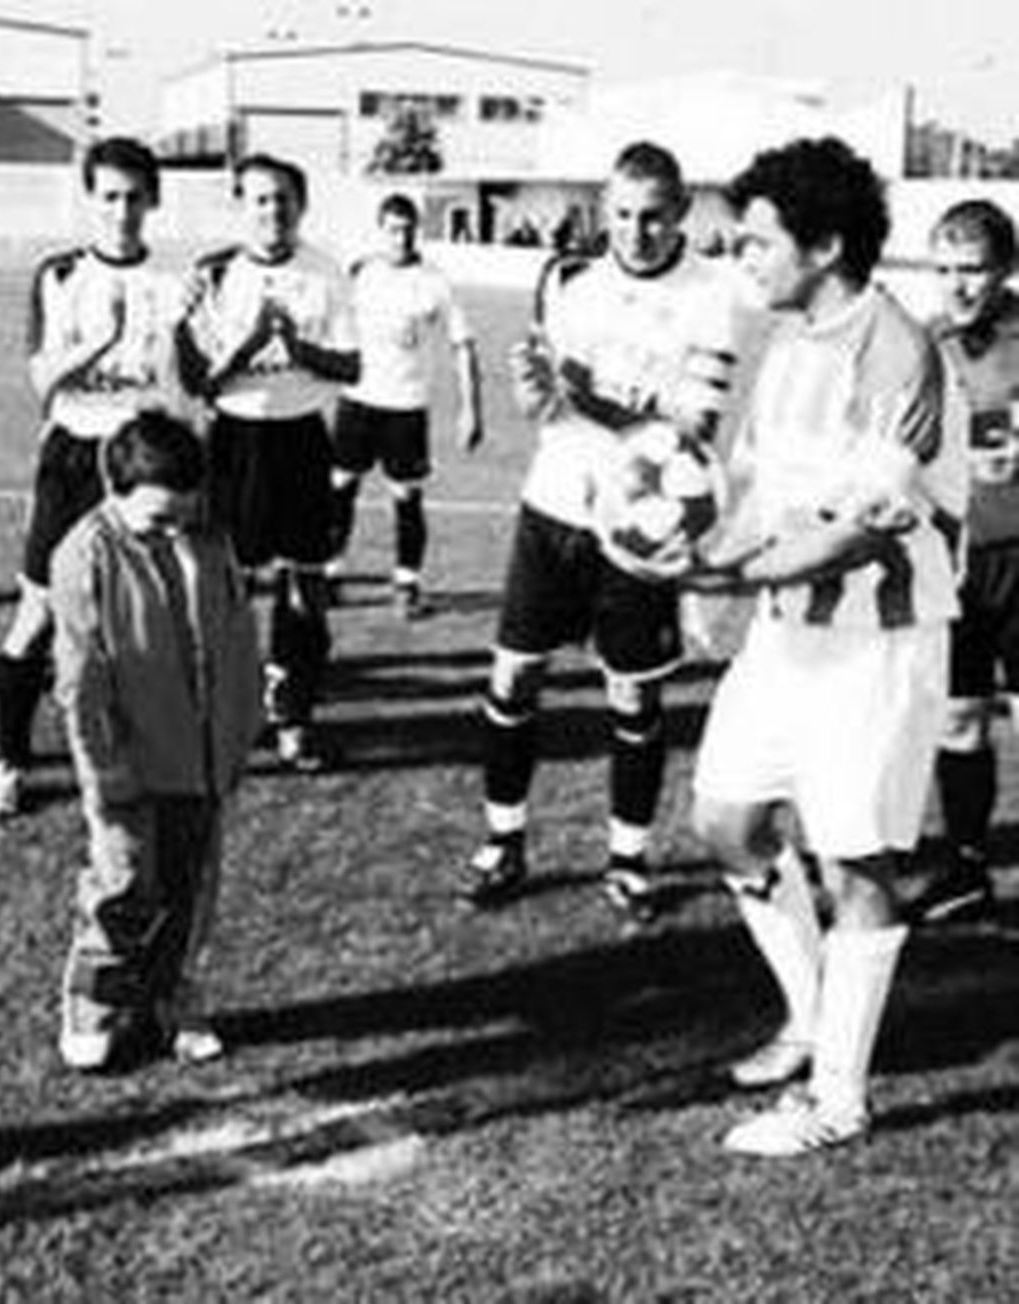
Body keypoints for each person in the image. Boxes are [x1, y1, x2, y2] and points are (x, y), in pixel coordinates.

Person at [686, 137, 966, 1156]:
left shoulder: (897, 352)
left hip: (876, 644)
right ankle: (810, 1014)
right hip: (783, 637)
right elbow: (762, 496)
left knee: (858, 864)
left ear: (825, 245)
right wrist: (689, 549)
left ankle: (838, 1099)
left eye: (758, 241)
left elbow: (861, 527)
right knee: (727, 823)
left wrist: (728, 573)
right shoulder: (790, 341)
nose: (743, 258)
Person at [466, 141, 743, 921]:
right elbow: (544, 410)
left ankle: (628, 859)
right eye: (621, 214)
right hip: (553, 508)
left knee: (631, 694)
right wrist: (535, 392)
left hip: (643, 530)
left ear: (682, 211)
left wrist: (584, 396)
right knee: (513, 679)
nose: (636, 232)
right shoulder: (574, 286)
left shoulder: (710, 297)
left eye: (653, 216)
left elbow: (694, 427)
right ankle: (503, 841)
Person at [0, 135, 185, 820]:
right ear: (91, 201)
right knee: (34, 615)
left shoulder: (172, 284)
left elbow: (180, 387)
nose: (122, 211)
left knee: (134, 623)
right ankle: (8, 763)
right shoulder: (60, 274)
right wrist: (103, 338)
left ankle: (134, 756)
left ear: (152, 200)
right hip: (71, 457)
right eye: (109, 198)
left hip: (136, 463)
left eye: (133, 197)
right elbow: (40, 380)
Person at [51, 411, 261, 1071]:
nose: (172, 528)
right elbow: (81, 684)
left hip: (206, 762)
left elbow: (236, 639)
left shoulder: (211, 542)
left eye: (182, 512)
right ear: (113, 492)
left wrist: (241, 726)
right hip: (131, 769)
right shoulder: (86, 555)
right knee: (122, 894)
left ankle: (176, 998)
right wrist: (102, 774)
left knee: (192, 891)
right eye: (155, 519)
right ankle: (96, 1009)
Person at [176, 152, 360, 771]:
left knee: (305, 589)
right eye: (259, 199)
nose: (272, 209)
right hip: (235, 442)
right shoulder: (215, 274)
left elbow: (352, 365)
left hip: (302, 439)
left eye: (283, 198)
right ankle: (223, 716)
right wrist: (254, 341)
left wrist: (297, 346)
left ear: (300, 205)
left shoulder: (326, 271)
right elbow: (198, 381)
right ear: (241, 206)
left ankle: (295, 720)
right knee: (225, 589)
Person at [915, 199, 1019, 922]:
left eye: (972, 269)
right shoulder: (923, 345)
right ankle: (968, 867)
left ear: (1005, 270)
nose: (957, 285)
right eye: (944, 269)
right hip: (953, 562)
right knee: (958, 717)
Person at [327, 192, 483, 618]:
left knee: (406, 498)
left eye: (408, 228)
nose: (402, 237)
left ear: (418, 230)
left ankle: (406, 585)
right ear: (381, 231)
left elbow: (462, 344)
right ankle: (330, 574)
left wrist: (471, 409)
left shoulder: (435, 281)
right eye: (393, 229)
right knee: (340, 489)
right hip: (357, 400)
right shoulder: (359, 273)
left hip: (406, 407)